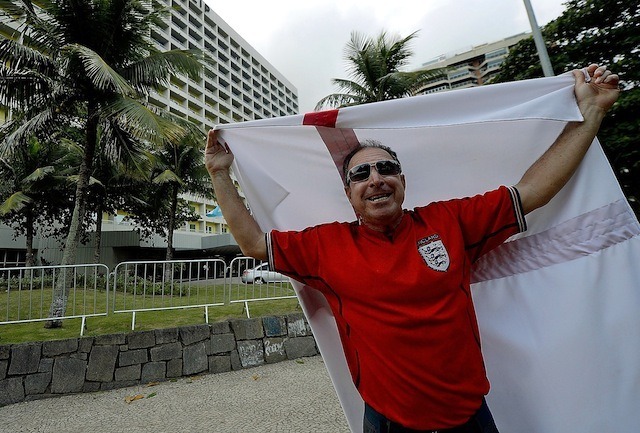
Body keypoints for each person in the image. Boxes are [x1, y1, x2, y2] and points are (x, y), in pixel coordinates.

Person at [205, 64, 620, 433]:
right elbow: (255, 243)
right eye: (361, 173)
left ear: (403, 181)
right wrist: (220, 174)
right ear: (348, 192)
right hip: (387, 422)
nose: (376, 179)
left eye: (387, 168)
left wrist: (591, 113)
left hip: (470, 418)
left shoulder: (449, 222)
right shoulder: (324, 246)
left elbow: (531, 191)